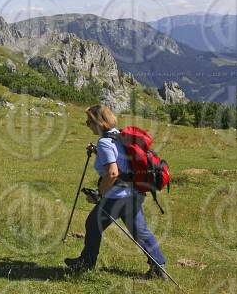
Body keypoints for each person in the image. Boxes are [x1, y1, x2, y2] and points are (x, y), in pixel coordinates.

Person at [64, 104, 167, 280]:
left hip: (116, 197)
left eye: (89, 121)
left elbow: (113, 172)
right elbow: (122, 163)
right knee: (140, 231)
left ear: (98, 122)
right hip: (134, 194)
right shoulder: (120, 136)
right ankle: (159, 267)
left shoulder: (105, 142)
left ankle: (86, 264)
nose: (87, 124)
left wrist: (98, 193)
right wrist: (97, 152)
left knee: (92, 224)